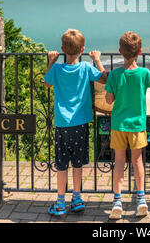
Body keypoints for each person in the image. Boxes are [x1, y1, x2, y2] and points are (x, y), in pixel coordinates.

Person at [44, 28, 107, 217]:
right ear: (83, 49)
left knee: (62, 163)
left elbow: (47, 83)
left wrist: (51, 61)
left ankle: (61, 202)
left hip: (62, 124)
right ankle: (77, 198)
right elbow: (104, 78)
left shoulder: (56, 69)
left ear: (63, 49)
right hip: (81, 123)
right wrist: (96, 59)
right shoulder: (86, 68)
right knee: (78, 163)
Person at [105, 31, 150, 219]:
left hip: (118, 125)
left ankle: (117, 201)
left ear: (120, 51)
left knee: (119, 161)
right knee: (137, 161)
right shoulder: (144, 73)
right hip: (137, 125)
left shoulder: (114, 74)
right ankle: (141, 199)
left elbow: (109, 99)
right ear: (140, 52)